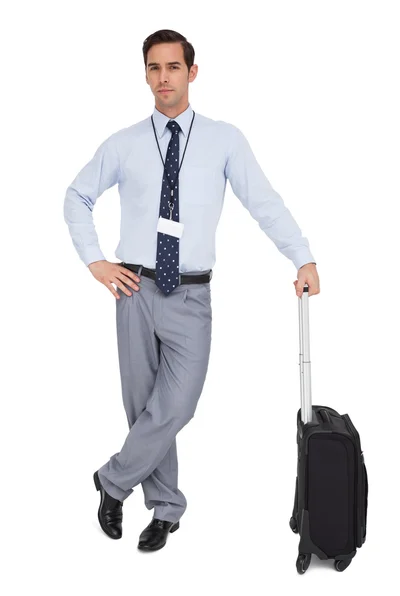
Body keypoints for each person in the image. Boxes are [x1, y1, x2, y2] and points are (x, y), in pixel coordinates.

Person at [63, 28, 320, 552]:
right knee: (144, 407)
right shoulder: (124, 142)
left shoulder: (224, 139)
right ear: (146, 75)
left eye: (173, 67)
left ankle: (112, 481)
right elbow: (77, 196)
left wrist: (303, 256)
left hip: (191, 295)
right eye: (154, 68)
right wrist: (96, 262)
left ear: (192, 72)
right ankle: (167, 509)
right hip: (133, 289)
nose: (163, 78)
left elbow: (264, 202)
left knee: (176, 404)